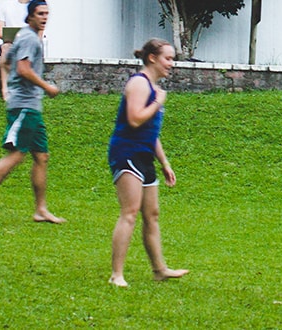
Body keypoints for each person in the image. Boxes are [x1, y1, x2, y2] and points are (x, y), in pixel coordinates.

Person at [0, 1, 64, 224]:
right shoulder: (30, 38)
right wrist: (46, 86)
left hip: (31, 106)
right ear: (29, 17)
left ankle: (41, 209)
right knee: (17, 154)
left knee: (41, 156)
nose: (44, 17)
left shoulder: (24, 37)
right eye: (40, 14)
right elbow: (22, 68)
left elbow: (7, 62)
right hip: (24, 106)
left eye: (47, 14)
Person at [108, 38, 189, 288]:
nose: (171, 64)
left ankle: (159, 269)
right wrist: (157, 103)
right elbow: (134, 120)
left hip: (144, 154)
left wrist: (164, 162)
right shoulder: (139, 84)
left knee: (151, 215)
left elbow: (150, 132)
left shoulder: (153, 87)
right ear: (152, 58)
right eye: (168, 58)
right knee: (130, 213)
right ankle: (116, 275)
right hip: (127, 153)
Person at [0, 0, 32, 99]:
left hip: (28, 43)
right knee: (6, 48)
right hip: (10, 43)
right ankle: (5, 89)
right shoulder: (5, 5)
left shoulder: (34, 5)